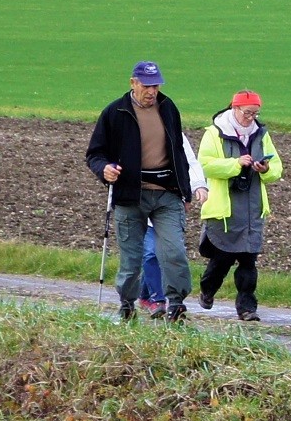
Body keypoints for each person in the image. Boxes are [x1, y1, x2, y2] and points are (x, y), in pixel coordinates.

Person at [85, 60, 206, 322]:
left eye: (156, 85)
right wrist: (104, 169)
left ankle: (176, 305)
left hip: (167, 193)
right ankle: (127, 305)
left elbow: (179, 152)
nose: (152, 91)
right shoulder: (115, 112)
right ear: (133, 83)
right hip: (130, 196)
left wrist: (186, 189)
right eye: (147, 86)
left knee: (174, 252)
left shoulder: (168, 107)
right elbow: (95, 153)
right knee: (131, 259)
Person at [196, 90, 284, 321]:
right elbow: (205, 165)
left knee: (248, 260)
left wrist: (266, 170)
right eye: (247, 113)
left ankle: (247, 308)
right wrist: (235, 164)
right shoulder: (214, 133)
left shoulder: (261, 134)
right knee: (223, 258)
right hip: (226, 210)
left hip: (253, 208)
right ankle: (207, 289)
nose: (251, 118)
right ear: (234, 109)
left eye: (255, 113)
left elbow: (277, 168)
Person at [138, 135, 207, 318]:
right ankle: (157, 299)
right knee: (151, 252)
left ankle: (145, 294)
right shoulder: (133, 127)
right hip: (142, 201)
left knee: (168, 251)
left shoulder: (174, 132)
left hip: (170, 204)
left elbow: (190, 162)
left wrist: (198, 186)